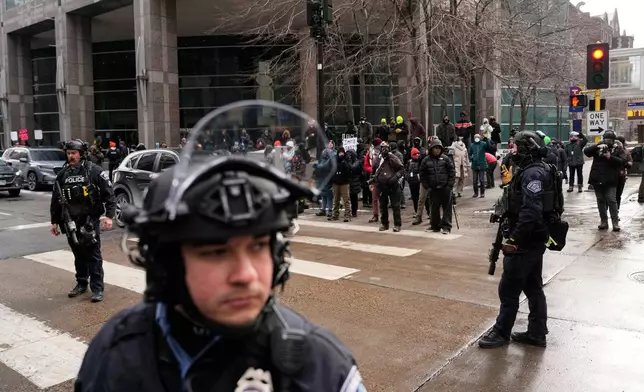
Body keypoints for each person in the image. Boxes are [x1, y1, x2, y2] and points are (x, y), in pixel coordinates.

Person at [74, 132, 365, 391]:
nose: (246, 275)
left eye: (258, 246)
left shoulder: (322, 366)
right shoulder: (115, 356)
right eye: (215, 252)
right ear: (168, 264)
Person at [478, 131, 560, 349]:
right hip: (534, 238)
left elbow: (531, 212)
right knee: (533, 286)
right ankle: (536, 332)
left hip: (525, 241)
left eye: (516, 147)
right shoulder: (534, 169)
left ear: (527, 147)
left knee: (509, 289)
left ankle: (501, 332)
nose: (512, 151)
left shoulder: (533, 173)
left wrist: (514, 239)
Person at [50, 139, 115, 303]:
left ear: (81, 154)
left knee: (93, 255)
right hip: (70, 221)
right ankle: (81, 283)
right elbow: (56, 199)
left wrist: (109, 216)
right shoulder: (63, 174)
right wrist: (54, 221)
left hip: (89, 220)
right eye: (69, 153)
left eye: (74, 153)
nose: (71, 156)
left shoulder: (94, 171)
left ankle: (97, 289)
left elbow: (109, 194)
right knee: (78, 254)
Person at [584, 130, 625, 231]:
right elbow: (587, 152)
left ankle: (615, 222)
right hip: (598, 178)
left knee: (611, 200)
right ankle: (603, 221)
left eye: (610, 140)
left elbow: (622, 162)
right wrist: (597, 146)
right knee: (600, 200)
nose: (608, 142)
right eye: (606, 139)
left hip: (611, 179)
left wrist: (610, 157)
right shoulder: (599, 146)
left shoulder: (618, 148)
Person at [419, 140, 455, 234]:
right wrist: (427, 187)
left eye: (439, 148)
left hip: (445, 188)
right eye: (435, 148)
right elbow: (422, 174)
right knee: (434, 208)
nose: (437, 150)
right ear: (431, 149)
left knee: (447, 208)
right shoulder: (426, 160)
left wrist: (449, 185)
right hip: (433, 189)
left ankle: (446, 227)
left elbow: (452, 172)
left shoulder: (446, 159)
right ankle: (435, 226)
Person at [373, 142, 404, 232]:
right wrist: (373, 180)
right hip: (381, 186)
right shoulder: (378, 159)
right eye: (382, 148)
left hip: (393, 185)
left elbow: (401, 169)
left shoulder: (393, 158)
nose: (384, 150)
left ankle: (397, 224)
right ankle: (384, 223)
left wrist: (395, 178)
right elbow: (374, 170)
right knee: (382, 206)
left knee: (395, 205)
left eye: (386, 148)